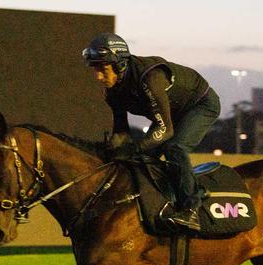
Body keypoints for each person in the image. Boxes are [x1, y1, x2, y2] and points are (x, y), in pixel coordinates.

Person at [82, 33, 221, 232]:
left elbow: (165, 130)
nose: (98, 76)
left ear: (120, 64)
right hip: (172, 114)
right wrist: (111, 152)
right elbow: (121, 131)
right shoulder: (112, 91)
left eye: (103, 69)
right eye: (94, 69)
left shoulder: (150, 78)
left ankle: (192, 208)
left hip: (201, 105)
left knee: (174, 146)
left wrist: (133, 149)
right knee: (140, 160)